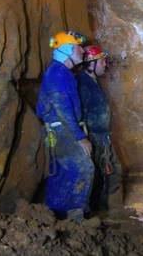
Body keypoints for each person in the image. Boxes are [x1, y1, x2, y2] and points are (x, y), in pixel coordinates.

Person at [36, 30, 94, 220]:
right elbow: (62, 108)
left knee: (63, 172)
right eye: (79, 47)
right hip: (62, 129)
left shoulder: (63, 73)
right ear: (68, 50)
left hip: (62, 128)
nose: (83, 51)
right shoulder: (57, 74)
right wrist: (80, 137)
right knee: (82, 167)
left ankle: (55, 216)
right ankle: (72, 217)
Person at [77, 44, 123, 212]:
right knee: (100, 176)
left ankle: (108, 211)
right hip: (94, 138)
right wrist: (84, 138)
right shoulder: (83, 84)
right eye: (102, 61)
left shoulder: (92, 82)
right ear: (91, 63)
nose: (105, 64)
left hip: (103, 137)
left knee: (111, 173)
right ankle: (100, 212)